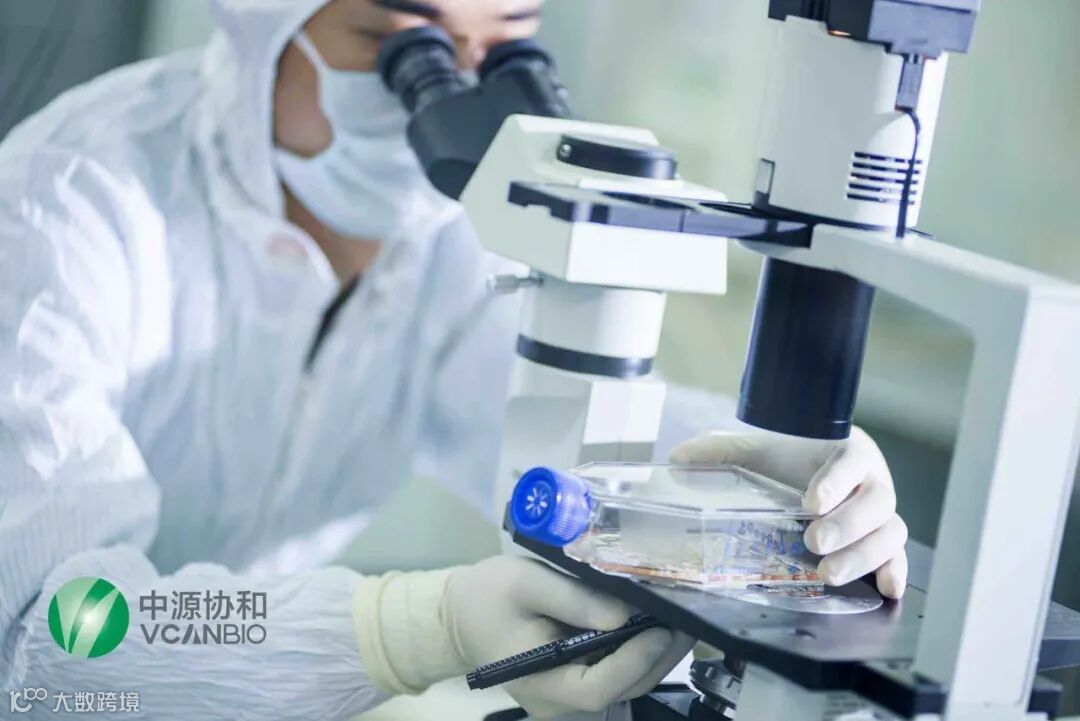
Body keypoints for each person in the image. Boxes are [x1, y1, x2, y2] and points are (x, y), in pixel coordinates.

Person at [0, 0, 908, 718]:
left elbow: (584, 451)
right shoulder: (66, 208)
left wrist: (773, 480)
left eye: (505, 49)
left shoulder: (446, 237)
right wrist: (401, 630)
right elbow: (50, 643)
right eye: (403, 47)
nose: (459, 101)